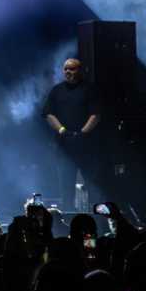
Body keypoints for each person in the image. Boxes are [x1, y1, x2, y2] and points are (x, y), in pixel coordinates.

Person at [41, 57, 101, 209]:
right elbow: (48, 113)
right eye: (66, 69)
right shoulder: (57, 90)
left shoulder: (89, 89)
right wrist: (62, 130)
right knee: (66, 188)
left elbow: (96, 114)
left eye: (72, 69)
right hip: (64, 147)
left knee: (93, 186)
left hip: (87, 147)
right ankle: (68, 221)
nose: (68, 72)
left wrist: (82, 133)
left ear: (79, 71)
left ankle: (96, 221)